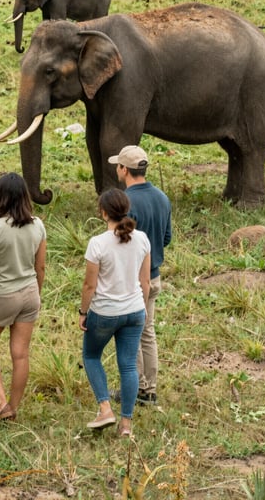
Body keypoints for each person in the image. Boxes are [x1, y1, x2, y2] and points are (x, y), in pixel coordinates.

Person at [0, 173, 46, 424]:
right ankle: (12, 408)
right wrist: (36, 291)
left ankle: (2, 403)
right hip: (29, 294)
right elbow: (41, 268)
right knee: (20, 354)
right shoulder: (38, 224)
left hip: (2, 295)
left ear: (0, 197)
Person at [80, 188, 150, 437]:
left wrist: (83, 311)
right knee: (128, 366)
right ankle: (126, 426)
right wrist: (140, 308)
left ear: (103, 212)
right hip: (135, 310)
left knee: (91, 356)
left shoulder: (97, 243)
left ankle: (105, 408)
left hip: (105, 312)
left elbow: (90, 285)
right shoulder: (142, 239)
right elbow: (145, 282)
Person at [109, 145, 172, 406]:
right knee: (148, 332)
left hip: (132, 280)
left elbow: (118, 244)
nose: (116, 169)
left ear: (124, 169)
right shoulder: (162, 198)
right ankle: (149, 388)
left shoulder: (126, 202)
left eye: (118, 165)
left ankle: (134, 389)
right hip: (155, 277)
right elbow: (167, 238)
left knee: (129, 335)